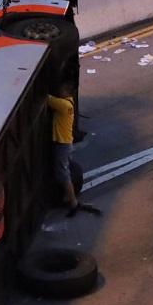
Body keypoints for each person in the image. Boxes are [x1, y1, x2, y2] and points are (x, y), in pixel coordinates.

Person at [48, 83, 98, 217]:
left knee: (63, 173)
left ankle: (73, 202)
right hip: (66, 142)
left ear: (66, 92)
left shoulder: (63, 105)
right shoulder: (69, 103)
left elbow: (47, 99)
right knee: (65, 170)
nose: (59, 90)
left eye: (61, 89)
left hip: (62, 143)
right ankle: (67, 197)